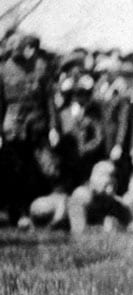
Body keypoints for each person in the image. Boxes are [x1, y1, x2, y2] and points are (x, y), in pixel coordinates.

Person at [0, 33, 59, 227]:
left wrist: (53, 128)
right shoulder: (3, 70)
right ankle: (16, 213)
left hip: (37, 126)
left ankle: (45, 213)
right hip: (13, 129)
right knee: (14, 171)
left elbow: (49, 101)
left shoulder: (41, 68)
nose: (30, 52)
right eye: (26, 47)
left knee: (43, 171)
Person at [66, 160, 133, 235]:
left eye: (114, 178)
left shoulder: (115, 202)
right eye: (107, 184)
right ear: (95, 179)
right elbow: (78, 231)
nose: (110, 188)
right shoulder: (82, 195)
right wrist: (104, 229)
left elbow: (131, 228)